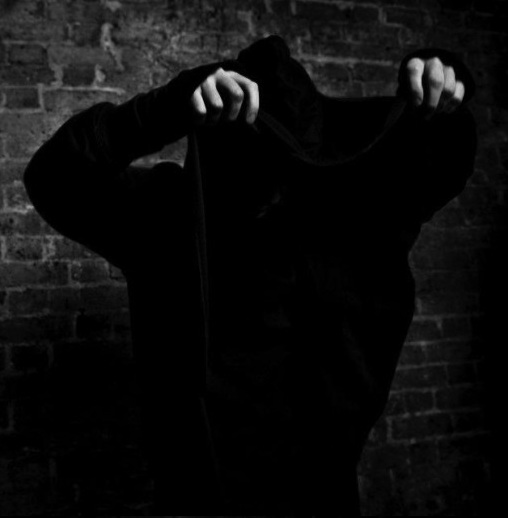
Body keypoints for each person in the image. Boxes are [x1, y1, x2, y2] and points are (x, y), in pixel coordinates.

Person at [23, 35, 476, 515]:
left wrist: (441, 82)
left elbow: (443, 159)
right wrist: (166, 108)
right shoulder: (172, 219)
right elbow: (54, 176)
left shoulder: (355, 227)